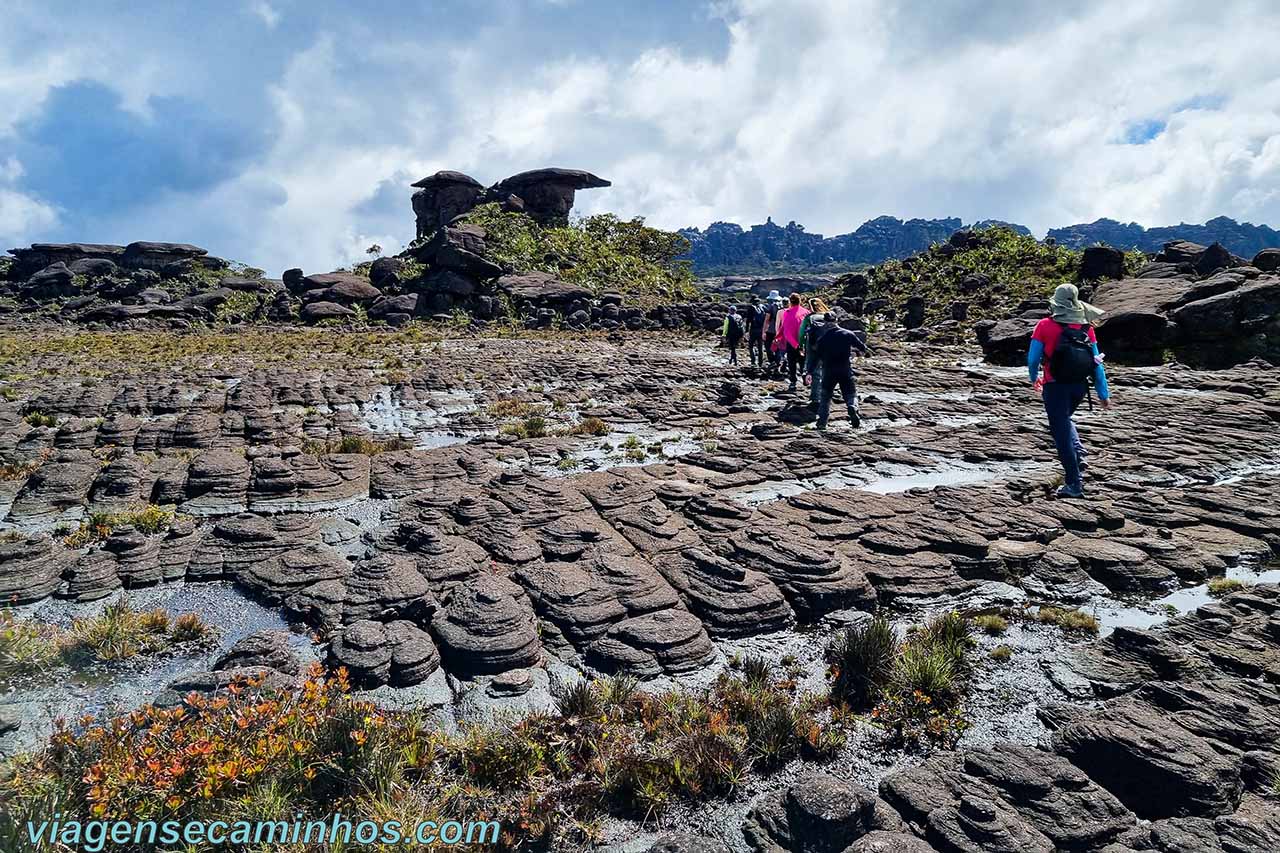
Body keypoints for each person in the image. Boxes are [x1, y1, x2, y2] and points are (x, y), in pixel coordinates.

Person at [1028, 283, 1112, 499]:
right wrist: (1103, 394)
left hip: (1054, 386)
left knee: (1060, 433)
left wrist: (1033, 378)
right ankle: (1079, 453)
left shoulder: (1044, 325)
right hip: (1079, 386)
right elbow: (1097, 363)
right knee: (1064, 420)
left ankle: (1074, 484)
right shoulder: (1086, 328)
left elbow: (1033, 359)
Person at [810, 316, 869, 430]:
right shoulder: (847, 334)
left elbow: (816, 358)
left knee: (825, 397)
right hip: (845, 370)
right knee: (851, 394)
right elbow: (862, 347)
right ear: (836, 321)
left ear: (825, 323)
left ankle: (822, 422)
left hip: (828, 371)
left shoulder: (823, 338)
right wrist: (860, 353)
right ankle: (852, 407)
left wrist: (809, 372)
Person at [778, 293, 810, 391]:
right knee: (803, 361)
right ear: (800, 301)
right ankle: (805, 378)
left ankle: (793, 382)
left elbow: (786, 331)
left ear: (790, 302)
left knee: (792, 362)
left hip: (792, 343)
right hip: (804, 343)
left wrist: (795, 344)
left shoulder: (787, 313)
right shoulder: (807, 312)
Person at [801, 307, 829, 408]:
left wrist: (801, 345)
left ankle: (815, 398)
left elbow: (801, 332)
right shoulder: (828, 316)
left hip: (813, 347)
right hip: (827, 347)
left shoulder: (809, 317)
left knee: (814, 372)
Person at [763, 290, 782, 377]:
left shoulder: (771, 307)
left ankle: (773, 362)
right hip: (781, 331)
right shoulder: (783, 306)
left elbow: (767, 320)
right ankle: (778, 364)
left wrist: (764, 331)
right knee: (778, 347)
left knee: (768, 346)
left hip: (771, 330)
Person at [746, 295, 767, 368]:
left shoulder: (751, 308)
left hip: (753, 329)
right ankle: (760, 363)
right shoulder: (763, 307)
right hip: (761, 329)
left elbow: (748, 320)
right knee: (760, 347)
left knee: (751, 346)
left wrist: (746, 330)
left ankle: (753, 361)